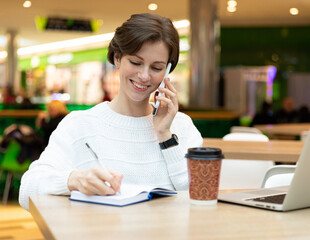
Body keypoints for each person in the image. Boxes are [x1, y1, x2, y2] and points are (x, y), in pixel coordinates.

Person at [19, 13, 203, 210]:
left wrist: (166, 137)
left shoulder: (181, 126)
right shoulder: (79, 124)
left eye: (156, 68)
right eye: (135, 62)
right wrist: (72, 180)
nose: (144, 76)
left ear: (167, 71)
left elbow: (200, 195)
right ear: (117, 58)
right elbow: (26, 192)